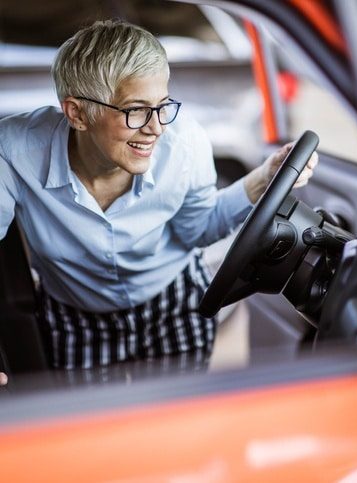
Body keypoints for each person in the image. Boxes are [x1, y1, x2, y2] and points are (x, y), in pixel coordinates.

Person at [0, 20, 317, 374]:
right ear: (77, 113)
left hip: (174, 301)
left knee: (176, 420)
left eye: (163, 105)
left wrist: (264, 178)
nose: (156, 128)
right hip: (75, 314)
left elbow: (197, 229)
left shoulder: (184, 143)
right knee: (92, 425)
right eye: (136, 110)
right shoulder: (14, 151)